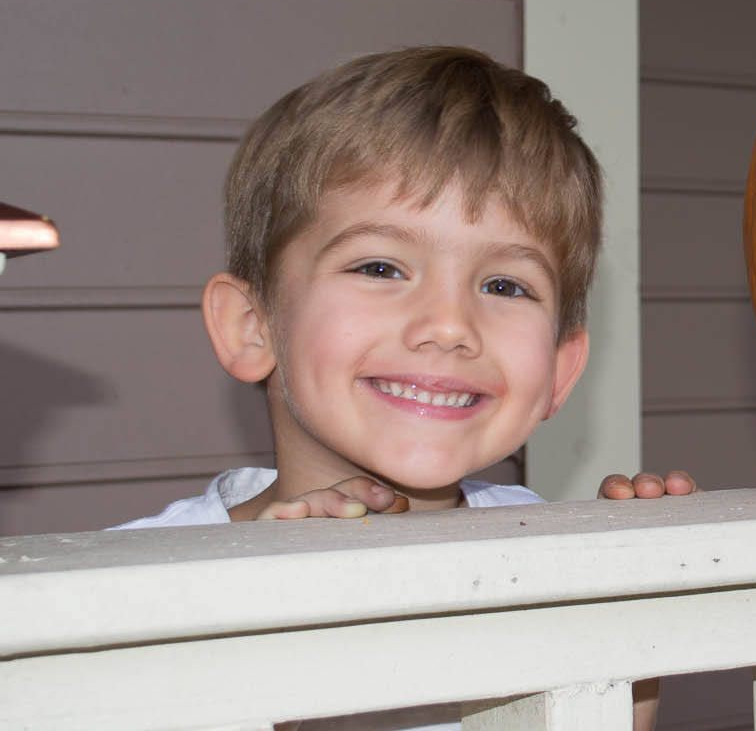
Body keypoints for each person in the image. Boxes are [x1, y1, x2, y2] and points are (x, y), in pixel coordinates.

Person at [114, 46, 694, 729]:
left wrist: (632, 632)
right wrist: (263, 628)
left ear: (560, 372)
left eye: (504, 285)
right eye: (382, 267)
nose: (449, 326)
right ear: (253, 327)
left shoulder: (549, 558)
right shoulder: (123, 593)